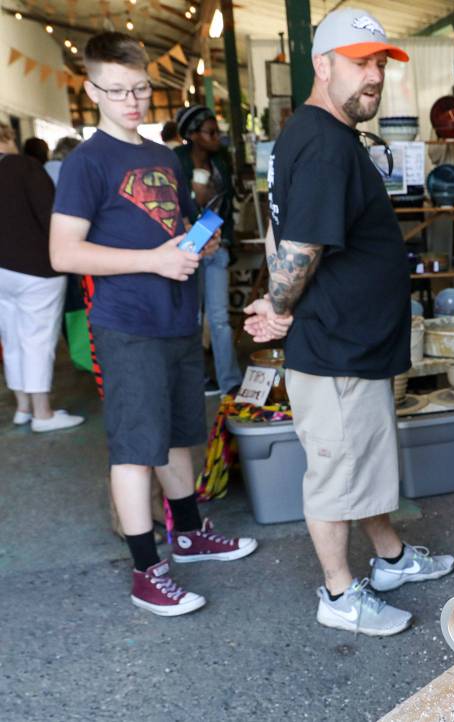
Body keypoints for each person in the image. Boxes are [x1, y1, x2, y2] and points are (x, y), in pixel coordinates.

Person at [245, 8, 453, 637]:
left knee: (360, 463)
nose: (373, 77)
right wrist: (279, 309)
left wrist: (278, 301)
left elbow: (281, 228)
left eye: (379, 65)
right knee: (336, 475)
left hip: (351, 342)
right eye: (360, 63)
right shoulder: (323, 143)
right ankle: (339, 596)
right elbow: (301, 241)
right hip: (334, 348)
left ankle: (389, 559)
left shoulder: (317, 136)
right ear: (323, 63)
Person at [50, 32, 257, 617]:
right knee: (135, 446)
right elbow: (64, 253)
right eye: (117, 91)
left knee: (175, 433)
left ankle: (188, 533)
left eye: (140, 88)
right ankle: (146, 569)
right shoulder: (85, 163)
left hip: (175, 318)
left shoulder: (163, 156)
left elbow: (181, 226)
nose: (132, 100)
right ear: (92, 90)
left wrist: (202, 237)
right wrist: (154, 260)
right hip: (127, 323)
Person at [0, 123, 84, 432]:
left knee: (12, 339)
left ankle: (22, 406)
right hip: (36, 269)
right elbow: (52, 215)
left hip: (1, 271)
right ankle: (43, 413)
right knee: (37, 339)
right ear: (8, 136)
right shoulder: (24, 166)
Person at [173, 105, 242, 396]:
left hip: (217, 245)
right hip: (188, 248)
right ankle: (196, 378)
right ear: (192, 135)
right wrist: (193, 195)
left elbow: (227, 203)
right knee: (194, 316)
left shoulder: (221, 162)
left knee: (219, 318)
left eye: (218, 131)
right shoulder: (175, 162)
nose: (217, 137)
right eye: (210, 132)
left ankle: (229, 382)